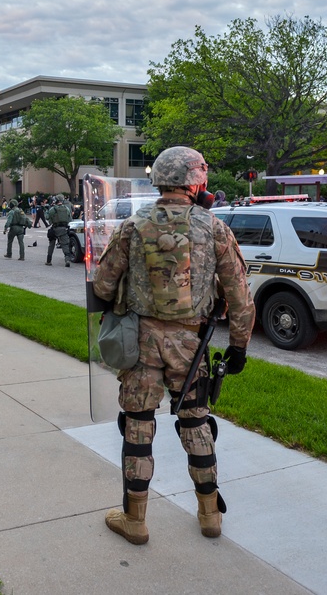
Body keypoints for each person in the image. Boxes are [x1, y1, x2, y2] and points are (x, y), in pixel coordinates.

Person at [92, 146, 254, 544]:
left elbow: (103, 284)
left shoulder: (133, 225)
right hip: (190, 343)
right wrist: (238, 346)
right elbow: (239, 294)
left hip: (141, 342)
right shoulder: (214, 227)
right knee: (196, 422)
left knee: (137, 426)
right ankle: (210, 514)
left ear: (161, 179)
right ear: (194, 181)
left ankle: (135, 520)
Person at [45, 196, 74, 267]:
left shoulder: (53, 209)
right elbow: (70, 219)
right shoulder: (66, 209)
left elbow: (47, 217)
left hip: (55, 228)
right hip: (64, 229)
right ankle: (67, 260)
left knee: (51, 244)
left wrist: (46, 210)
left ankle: (49, 261)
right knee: (65, 245)